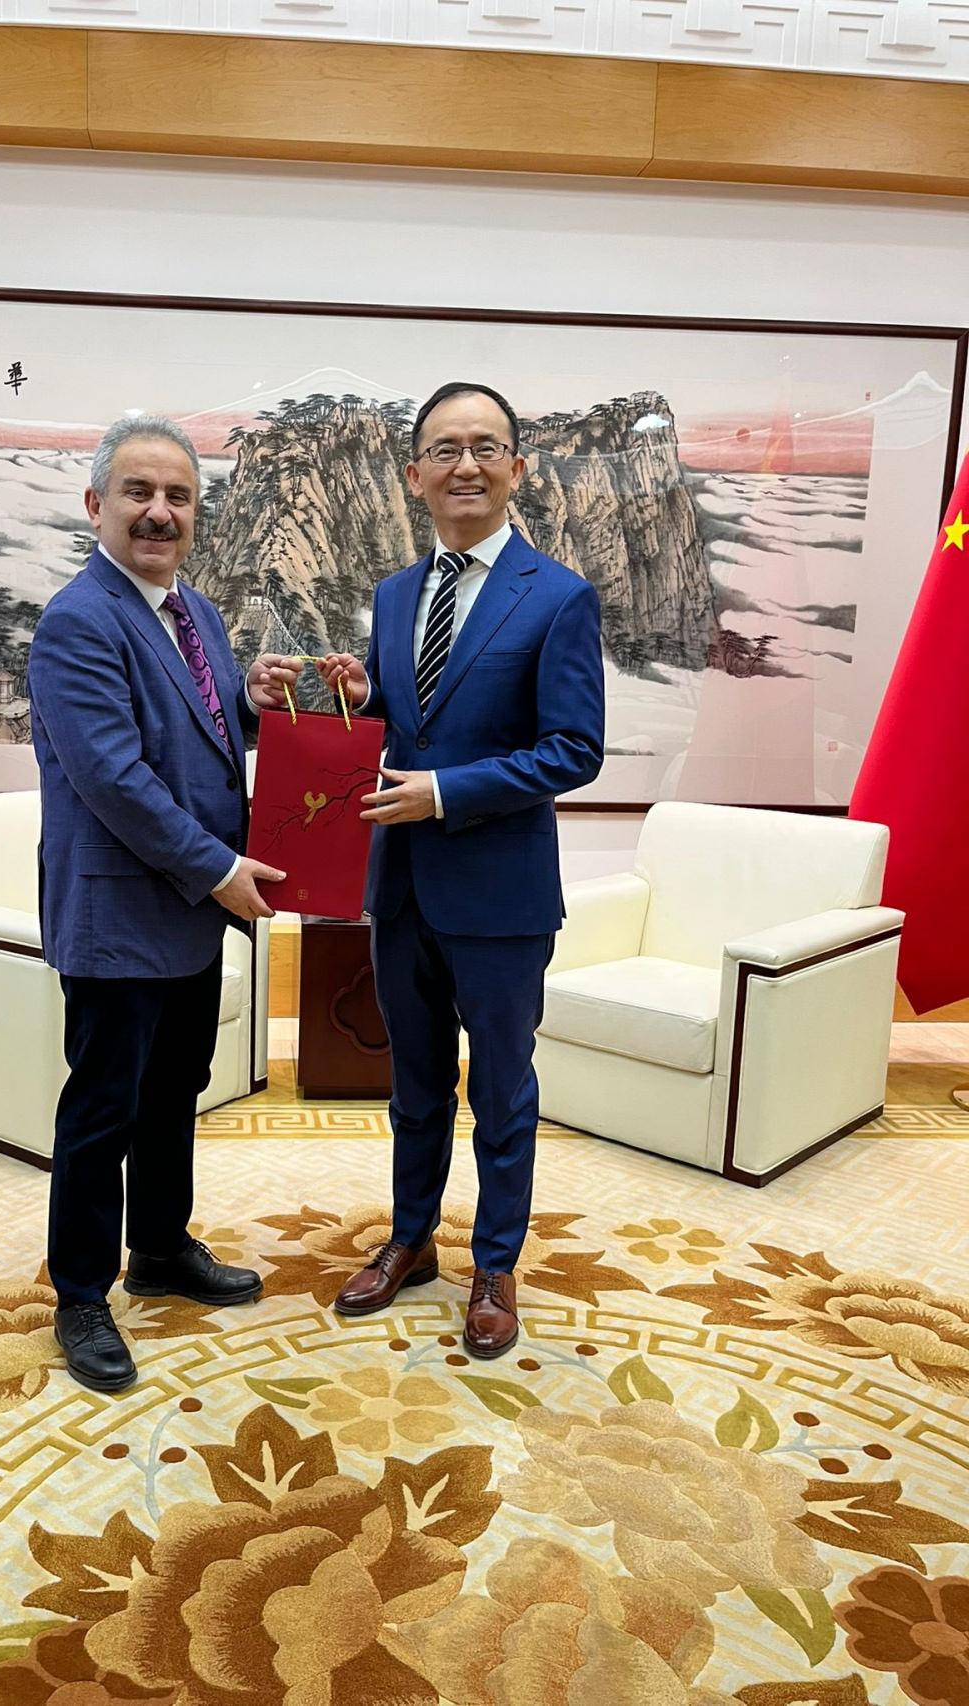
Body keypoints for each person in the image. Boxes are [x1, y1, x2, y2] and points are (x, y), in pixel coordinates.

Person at [318, 381, 605, 1358]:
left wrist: (443, 792)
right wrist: (362, 694)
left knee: (502, 1091)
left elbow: (573, 749)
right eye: (445, 449)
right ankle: (410, 1241)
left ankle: (494, 1263)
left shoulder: (558, 596)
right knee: (413, 1083)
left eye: (485, 447)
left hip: (500, 895)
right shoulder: (394, 594)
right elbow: (408, 723)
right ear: (415, 475)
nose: (466, 465)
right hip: (400, 886)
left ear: (516, 468)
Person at [28, 415, 302, 1393]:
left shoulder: (194, 614)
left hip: (187, 909)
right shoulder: (78, 621)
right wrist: (219, 868)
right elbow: (114, 777)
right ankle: (79, 1293)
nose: (159, 512)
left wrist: (253, 703)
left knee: (174, 1087)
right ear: (95, 503)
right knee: (102, 1108)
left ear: (195, 513)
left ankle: (158, 1247)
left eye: (178, 497)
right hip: (120, 913)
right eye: (138, 492)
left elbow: (201, 732)